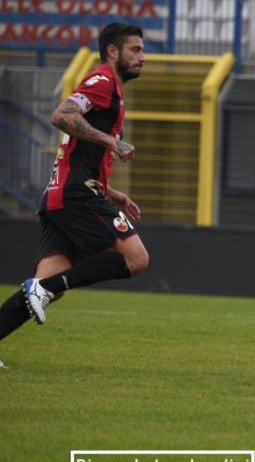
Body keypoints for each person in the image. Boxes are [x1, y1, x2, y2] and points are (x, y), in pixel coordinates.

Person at [0, 22, 149, 350]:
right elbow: (61, 115)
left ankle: (40, 290)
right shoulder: (103, 80)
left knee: (49, 283)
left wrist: (113, 193)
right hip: (77, 195)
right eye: (135, 50)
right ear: (112, 51)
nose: (142, 57)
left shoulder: (112, 89)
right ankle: (42, 290)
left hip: (61, 195)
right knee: (136, 258)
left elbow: (76, 153)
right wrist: (113, 141)